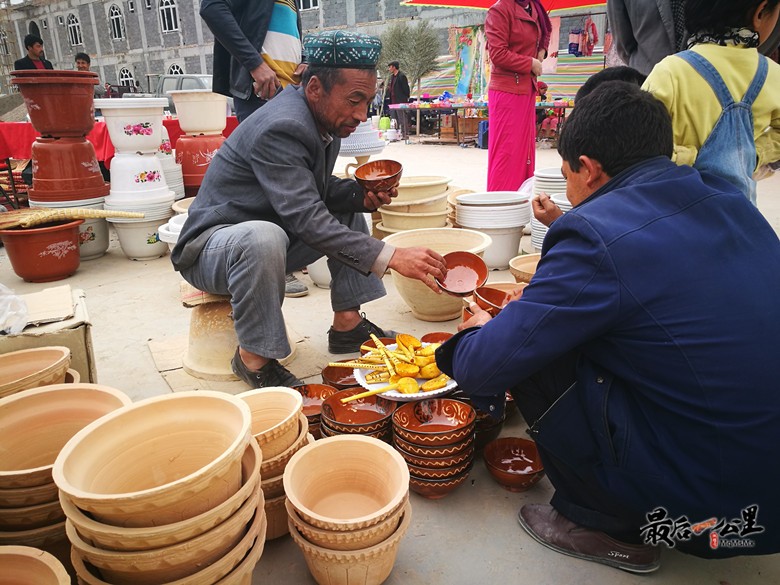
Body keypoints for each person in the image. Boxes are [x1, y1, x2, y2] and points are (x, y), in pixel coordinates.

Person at [436, 81, 780, 572]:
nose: (569, 191)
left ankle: (605, 525)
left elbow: (480, 368)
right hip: (767, 499)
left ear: (589, 170)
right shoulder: (729, 200)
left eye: (567, 176)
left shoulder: (597, 232)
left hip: (710, 515)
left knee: (529, 351)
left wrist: (480, 328)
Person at [171, 31, 447, 389]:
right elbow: (305, 217)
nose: (362, 115)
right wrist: (391, 255)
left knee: (344, 205)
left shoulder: (321, 119)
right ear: (315, 88)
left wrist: (359, 196)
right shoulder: (282, 126)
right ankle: (253, 358)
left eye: (369, 101)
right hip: (212, 250)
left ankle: (348, 325)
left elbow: (311, 189)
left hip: (265, 238)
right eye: (354, 100)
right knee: (263, 236)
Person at [201, 0, 310, 297]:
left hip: (291, 90)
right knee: (270, 180)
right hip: (262, 89)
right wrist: (254, 64)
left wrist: (306, 58)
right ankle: (276, 263)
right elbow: (212, 7)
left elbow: (288, 33)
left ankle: (290, 250)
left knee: (298, 175)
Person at [643, 0, 780, 204]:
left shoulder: (670, 72)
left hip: (672, 212)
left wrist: (690, 158)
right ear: (760, 12)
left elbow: (638, 142)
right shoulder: (773, 75)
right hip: (738, 214)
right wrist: (753, 155)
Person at [485, 0, 551, 191]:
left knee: (525, 155)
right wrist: (529, 63)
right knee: (507, 154)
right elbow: (497, 53)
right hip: (507, 92)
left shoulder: (534, 7)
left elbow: (546, 32)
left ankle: (521, 200)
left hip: (526, 90)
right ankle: (500, 206)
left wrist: (542, 50)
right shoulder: (499, 11)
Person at [386, 61, 410, 140]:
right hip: (393, 101)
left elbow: (406, 88)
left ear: (394, 67)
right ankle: (395, 135)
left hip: (400, 100)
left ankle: (405, 134)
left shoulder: (401, 76)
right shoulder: (392, 76)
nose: (389, 69)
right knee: (394, 119)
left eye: (390, 67)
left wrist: (405, 98)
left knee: (402, 118)